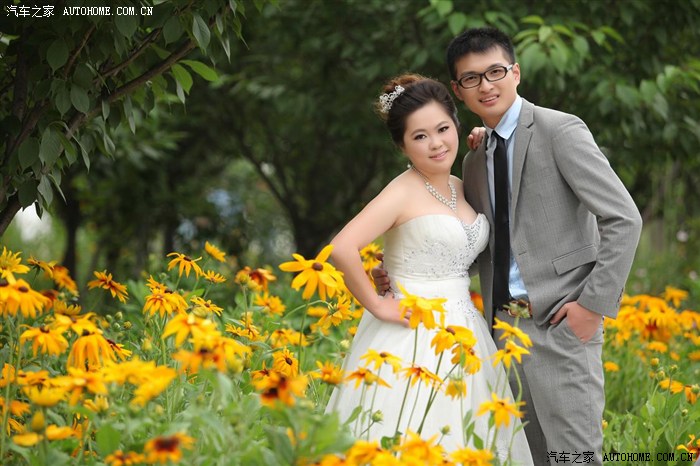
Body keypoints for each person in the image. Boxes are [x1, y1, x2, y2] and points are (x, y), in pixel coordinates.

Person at [380, 27, 639, 465]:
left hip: (560, 324)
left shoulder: (559, 130)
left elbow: (624, 219)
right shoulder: (474, 160)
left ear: (515, 73)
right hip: (501, 333)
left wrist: (592, 307)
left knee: (574, 456)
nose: (485, 85)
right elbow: (480, 244)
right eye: (471, 78)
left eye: (495, 72)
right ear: (459, 91)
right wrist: (402, 270)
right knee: (526, 456)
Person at [326, 73, 534, 463]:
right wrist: (379, 305)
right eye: (420, 136)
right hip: (411, 334)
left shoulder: (459, 184)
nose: (436, 143)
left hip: (466, 333)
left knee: (467, 437)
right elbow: (342, 248)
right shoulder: (402, 190)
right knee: (411, 434)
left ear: (456, 125)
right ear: (402, 145)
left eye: (442, 129)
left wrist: (483, 140)